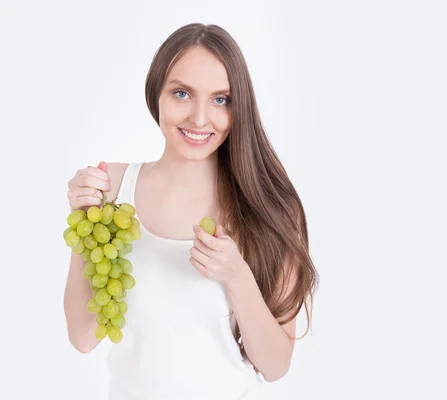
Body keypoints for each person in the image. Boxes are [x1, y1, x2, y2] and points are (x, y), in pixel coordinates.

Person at [63, 23, 318, 399]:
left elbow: (276, 366)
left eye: (220, 99)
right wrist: (85, 223)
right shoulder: (112, 189)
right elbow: (83, 338)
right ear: (157, 95)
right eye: (182, 93)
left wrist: (237, 277)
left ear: (239, 106)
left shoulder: (271, 206)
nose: (200, 119)